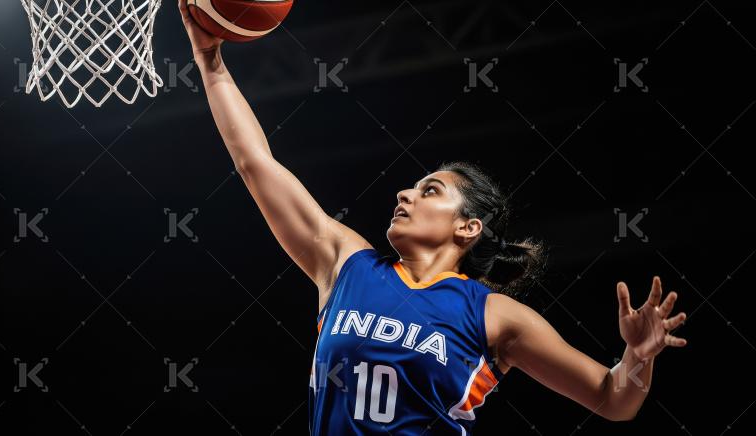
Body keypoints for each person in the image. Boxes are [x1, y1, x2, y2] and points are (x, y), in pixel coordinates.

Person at [178, 2, 688, 434]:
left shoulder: (494, 316)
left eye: (430, 190)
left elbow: (612, 399)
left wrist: (638, 359)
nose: (405, 193)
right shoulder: (346, 264)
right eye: (412, 187)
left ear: (468, 227)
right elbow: (256, 162)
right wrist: (210, 61)